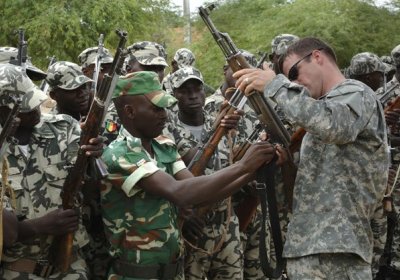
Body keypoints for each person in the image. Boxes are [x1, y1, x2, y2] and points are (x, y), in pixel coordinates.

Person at [234, 37, 389, 280]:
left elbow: (334, 126)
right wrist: (282, 161)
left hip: (337, 251)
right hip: (309, 248)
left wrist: (275, 85)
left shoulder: (357, 93)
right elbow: (300, 195)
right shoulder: (318, 114)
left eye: (294, 73)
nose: (296, 84)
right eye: (289, 79)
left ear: (317, 57)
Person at [100, 70, 276, 280]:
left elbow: (199, 194)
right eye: (156, 109)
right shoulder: (119, 154)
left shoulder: (163, 146)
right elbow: (179, 192)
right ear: (129, 111)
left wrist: (254, 170)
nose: (164, 114)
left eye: (165, 108)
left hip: (173, 271)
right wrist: (244, 166)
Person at [0, 63, 104, 279]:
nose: (37, 109)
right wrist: (40, 226)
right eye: (28, 107)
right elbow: (8, 234)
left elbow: (93, 188)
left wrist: (93, 157)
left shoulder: (63, 128)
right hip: (19, 270)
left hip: (71, 267)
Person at [165, 66, 244, 280]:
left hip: (226, 222)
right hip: (191, 225)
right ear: (174, 94)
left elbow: (235, 163)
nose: (192, 95)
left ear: (204, 90)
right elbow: (192, 163)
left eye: (196, 88)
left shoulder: (222, 122)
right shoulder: (167, 129)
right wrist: (185, 215)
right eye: (184, 90)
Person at [102, 41, 168, 144]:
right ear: (129, 69)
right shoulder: (116, 112)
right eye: (149, 69)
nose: (155, 75)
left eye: (160, 69)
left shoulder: (168, 106)